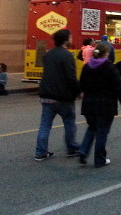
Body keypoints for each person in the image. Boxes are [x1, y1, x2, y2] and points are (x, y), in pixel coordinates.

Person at [78, 42, 121, 168]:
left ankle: (83, 151)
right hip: (106, 105)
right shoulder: (110, 68)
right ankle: (100, 159)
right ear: (107, 53)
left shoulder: (87, 67)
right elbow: (118, 88)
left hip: (89, 105)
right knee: (102, 131)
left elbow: (81, 85)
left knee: (92, 128)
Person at [35, 29, 81, 161]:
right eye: (70, 37)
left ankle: (40, 152)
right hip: (63, 96)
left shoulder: (48, 55)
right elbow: (71, 77)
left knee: (45, 125)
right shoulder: (67, 55)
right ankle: (71, 148)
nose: (71, 39)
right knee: (69, 122)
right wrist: (78, 91)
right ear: (66, 40)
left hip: (46, 95)